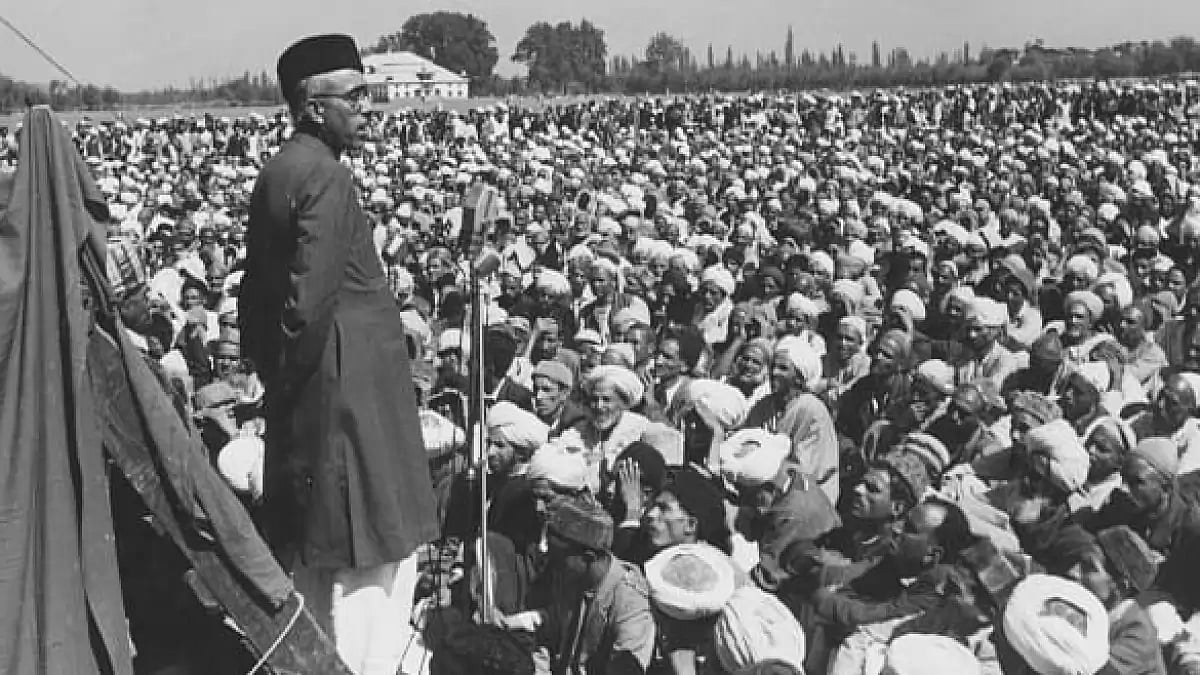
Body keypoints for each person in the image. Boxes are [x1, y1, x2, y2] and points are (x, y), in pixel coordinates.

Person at [238, 34, 438, 675]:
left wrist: (273, 377)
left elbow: (256, 294)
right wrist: (290, 385)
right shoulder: (325, 176)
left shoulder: (281, 169)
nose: (368, 106)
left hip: (324, 397)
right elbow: (305, 303)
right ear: (312, 105)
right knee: (370, 567)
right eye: (354, 96)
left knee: (324, 566)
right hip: (349, 405)